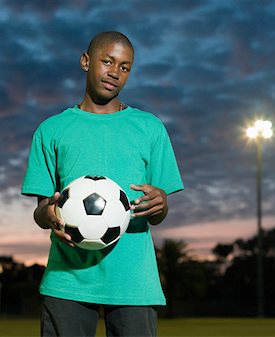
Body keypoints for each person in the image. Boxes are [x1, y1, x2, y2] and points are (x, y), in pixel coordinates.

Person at [22, 31, 184, 337]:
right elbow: (41, 212)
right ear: (86, 61)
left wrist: (160, 203)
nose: (115, 73)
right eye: (107, 61)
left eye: (125, 67)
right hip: (67, 278)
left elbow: (159, 212)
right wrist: (50, 214)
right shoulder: (51, 130)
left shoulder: (149, 128)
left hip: (133, 280)